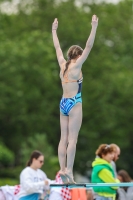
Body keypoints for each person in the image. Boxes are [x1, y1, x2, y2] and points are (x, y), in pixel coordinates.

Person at [52, 15, 98, 184]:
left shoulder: (62, 64)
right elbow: (89, 45)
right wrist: (94, 26)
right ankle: (69, 171)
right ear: (78, 56)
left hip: (63, 104)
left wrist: (54, 30)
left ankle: (62, 168)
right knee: (73, 140)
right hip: (74, 103)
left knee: (62, 139)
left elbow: (57, 47)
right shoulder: (77, 65)